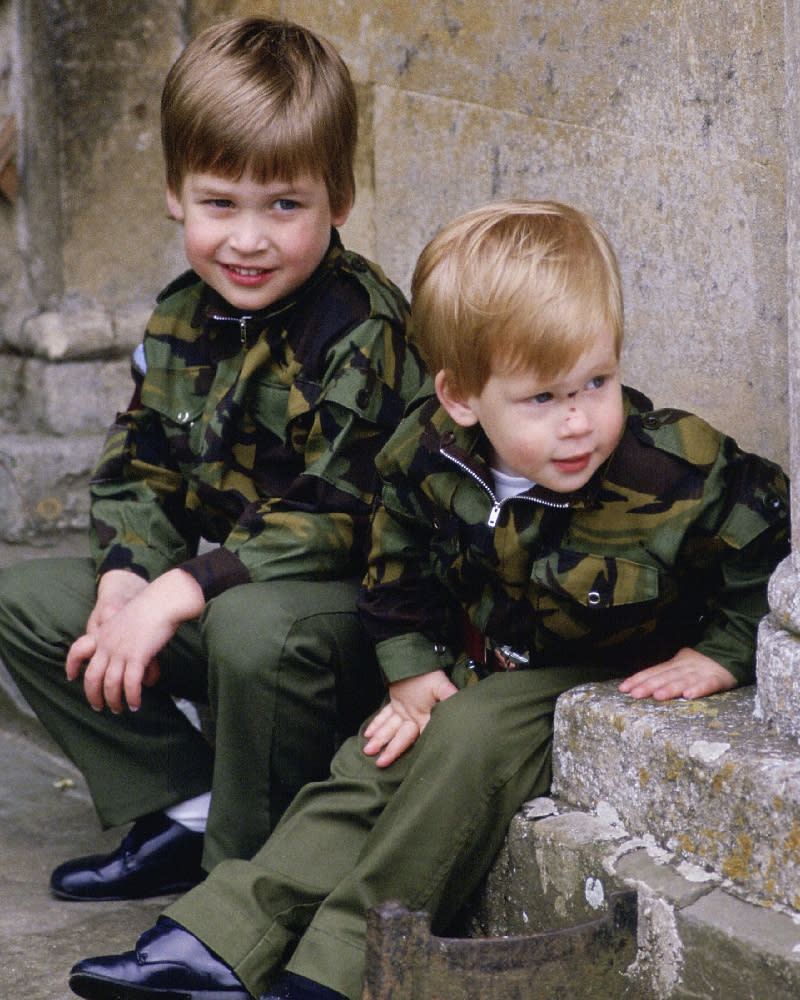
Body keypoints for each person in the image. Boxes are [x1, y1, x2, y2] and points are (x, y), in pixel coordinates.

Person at [67, 200, 789, 1000]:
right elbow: (396, 563)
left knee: (467, 737)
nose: (580, 421)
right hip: (482, 659)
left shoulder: (674, 466)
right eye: (542, 399)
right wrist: (410, 672)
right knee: (375, 756)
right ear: (461, 397)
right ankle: (221, 937)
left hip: (595, 672)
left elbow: (764, 538)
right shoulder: (428, 454)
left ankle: (340, 966)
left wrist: (720, 652)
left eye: (598, 380)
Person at [0, 16, 426, 900]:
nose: (248, 239)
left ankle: (245, 885)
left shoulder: (362, 327)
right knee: (34, 603)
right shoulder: (180, 316)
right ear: (174, 194)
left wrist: (180, 590)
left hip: (348, 628)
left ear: (339, 197)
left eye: (284, 205)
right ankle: (186, 809)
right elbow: (142, 463)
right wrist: (127, 577)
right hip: (235, 601)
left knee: (249, 625)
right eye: (219, 203)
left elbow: (339, 513)